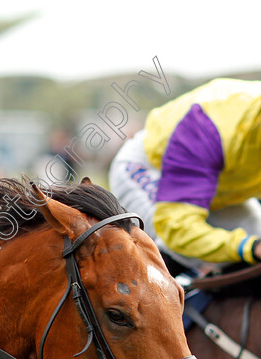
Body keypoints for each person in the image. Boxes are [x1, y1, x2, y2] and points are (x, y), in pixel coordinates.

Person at [109, 78, 261, 271]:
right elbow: (178, 228)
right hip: (152, 167)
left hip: (215, 182)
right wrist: (249, 247)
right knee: (179, 247)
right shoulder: (210, 129)